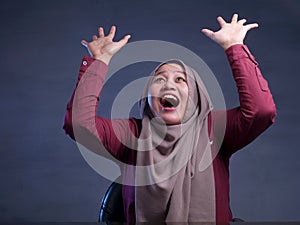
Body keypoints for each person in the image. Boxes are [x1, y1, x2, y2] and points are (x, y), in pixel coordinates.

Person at [63, 14, 276, 223]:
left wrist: (234, 47)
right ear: (147, 97)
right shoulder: (132, 134)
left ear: (196, 95)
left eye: (180, 79)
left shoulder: (214, 128)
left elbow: (261, 111)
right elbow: (79, 124)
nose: (168, 85)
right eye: (159, 79)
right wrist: (99, 62)